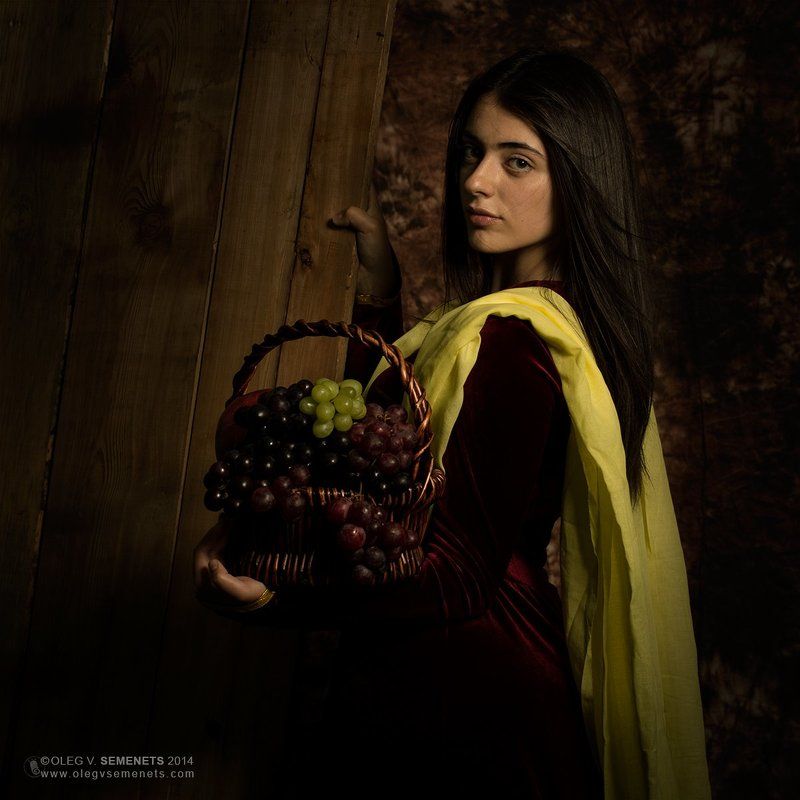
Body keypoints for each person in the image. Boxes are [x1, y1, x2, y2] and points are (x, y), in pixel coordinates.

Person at [194, 47, 712, 799]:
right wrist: (381, 301)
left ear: (579, 178)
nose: (475, 180)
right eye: (473, 152)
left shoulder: (518, 340)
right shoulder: (501, 328)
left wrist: (281, 600)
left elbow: (460, 576)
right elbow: (391, 463)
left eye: (517, 162)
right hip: (441, 676)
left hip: (467, 695)